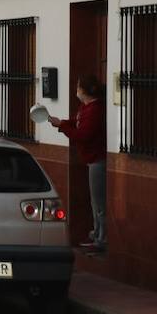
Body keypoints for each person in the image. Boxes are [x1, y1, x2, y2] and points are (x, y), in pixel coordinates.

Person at [50, 74, 108, 253]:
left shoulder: (95, 109)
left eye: (78, 87)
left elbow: (82, 135)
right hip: (91, 159)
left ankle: (101, 238)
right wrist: (61, 123)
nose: (76, 90)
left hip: (97, 160)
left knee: (99, 202)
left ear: (84, 90)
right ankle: (97, 232)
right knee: (95, 201)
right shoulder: (86, 108)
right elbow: (77, 124)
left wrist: (63, 127)